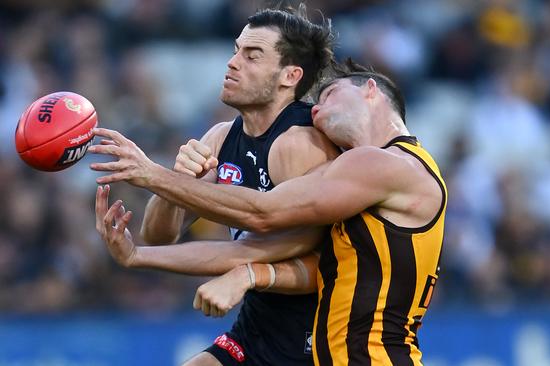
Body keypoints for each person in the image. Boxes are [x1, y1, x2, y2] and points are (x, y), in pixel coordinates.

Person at [91, 59, 447, 365]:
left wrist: (154, 174)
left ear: (371, 90)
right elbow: (313, 265)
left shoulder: (386, 164)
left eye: (329, 95)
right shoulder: (360, 177)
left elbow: (265, 213)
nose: (316, 110)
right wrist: (139, 255)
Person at [93, 6, 339, 366]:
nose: (233, 62)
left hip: (315, 342)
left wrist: (154, 177)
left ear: (290, 75)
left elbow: (262, 240)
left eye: (252, 56)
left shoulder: (301, 143)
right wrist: (177, 183)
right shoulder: (221, 137)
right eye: (236, 50)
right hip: (256, 332)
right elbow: (160, 234)